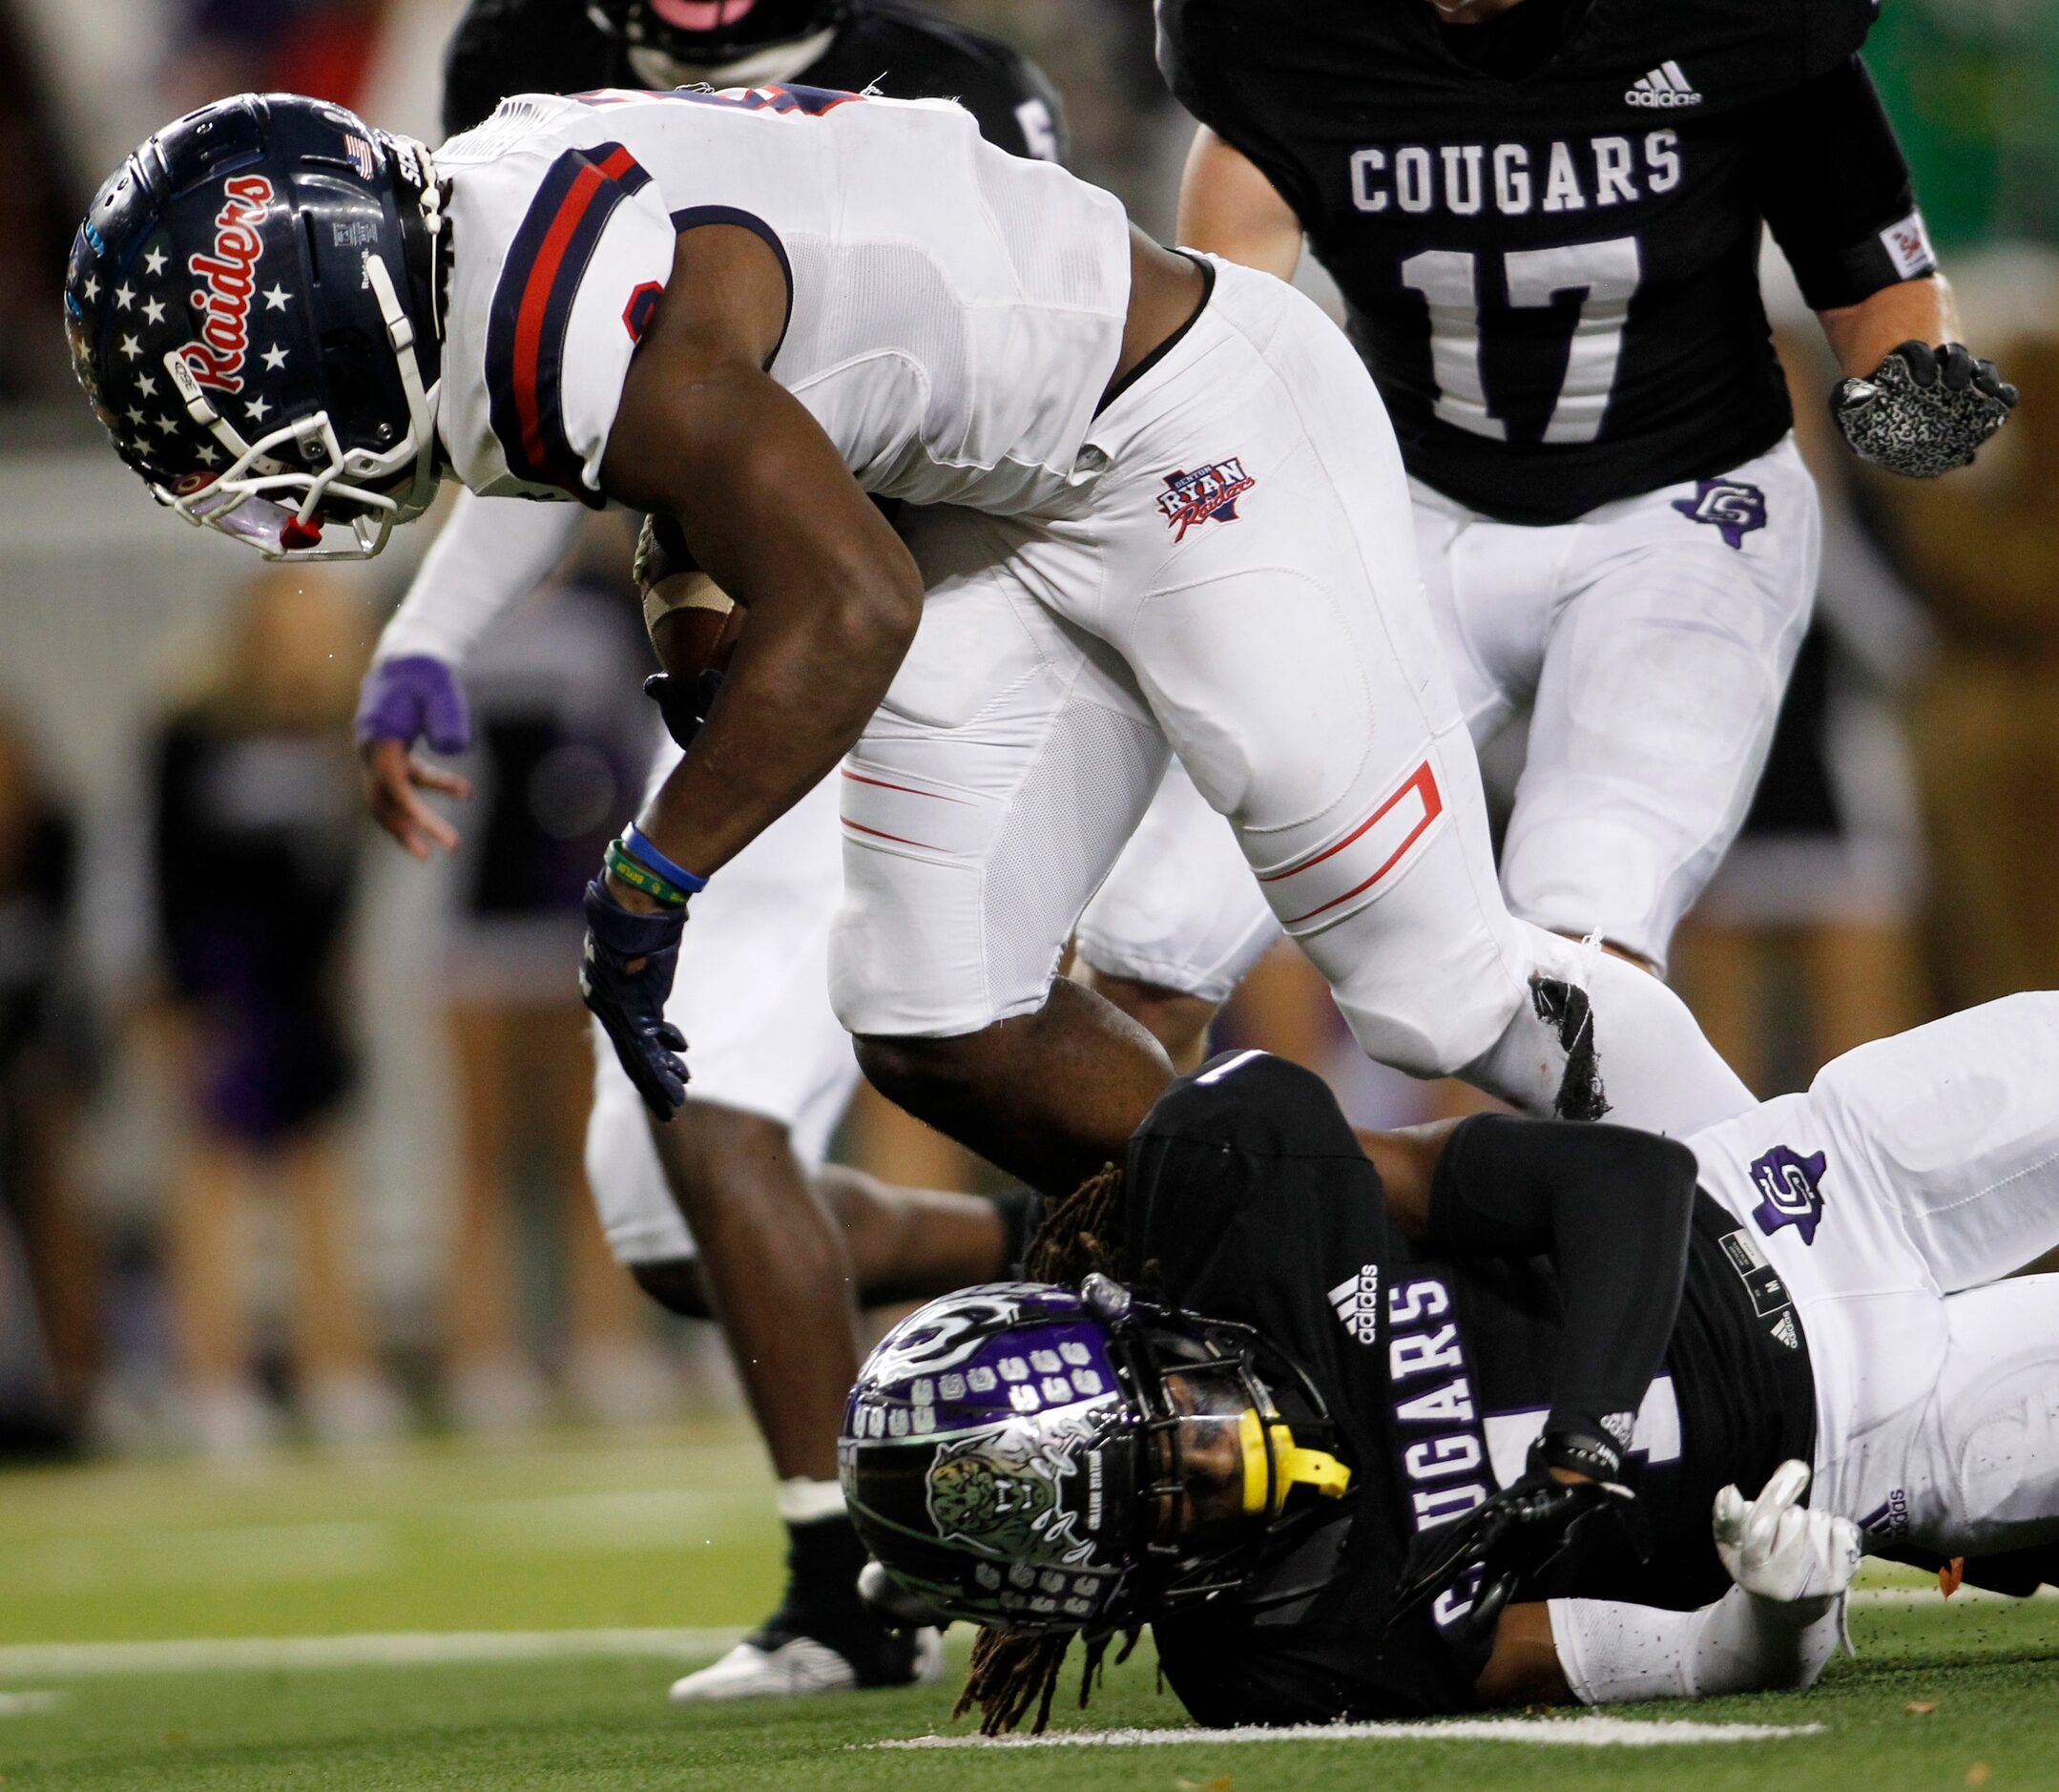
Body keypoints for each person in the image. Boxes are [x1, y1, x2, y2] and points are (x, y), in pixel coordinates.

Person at [69, 78, 1757, 1429]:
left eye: (232, 418)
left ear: (319, 315)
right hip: (1007, 497)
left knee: (1427, 981)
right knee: (933, 1017)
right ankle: (1394, 1251)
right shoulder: (490, 237)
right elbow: (725, 438)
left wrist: (659, 874)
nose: (254, 482)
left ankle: (1778, 1230)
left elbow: (851, 602)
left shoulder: (549, 311)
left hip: (1184, 431)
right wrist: (679, 611)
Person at [349, 0, 1067, 1699]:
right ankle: (1082, 1239)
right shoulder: (512, 63)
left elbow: (1051, 402)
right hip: (739, 678)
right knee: (674, 1230)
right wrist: (421, 638)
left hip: (926, 645)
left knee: (715, 1118)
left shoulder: (947, 78)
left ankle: (851, 1582)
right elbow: (514, 427)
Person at [1092, 0, 2018, 1047]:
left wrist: (1907, 388)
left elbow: (1871, 279)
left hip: (1680, 507)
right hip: (1411, 507)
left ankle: (1630, 1205)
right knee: (1148, 945)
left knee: (1581, 954)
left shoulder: (1749, 31)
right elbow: (1231, 342)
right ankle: (1113, 1204)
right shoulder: (1285, 41)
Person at [845, 1000, 2059, 1731]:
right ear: (1115, 1593)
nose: (1223, 1457)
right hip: (1873, 1448)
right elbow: (1662, 1661)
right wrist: (1781, 1616)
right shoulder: (1282, 1659)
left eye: (1164, 1423)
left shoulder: (1242, 1212)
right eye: (1173, 1505)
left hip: (1810, 1188)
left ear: (1118, 1321)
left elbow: (1627, 1177)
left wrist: (1583, 1439)